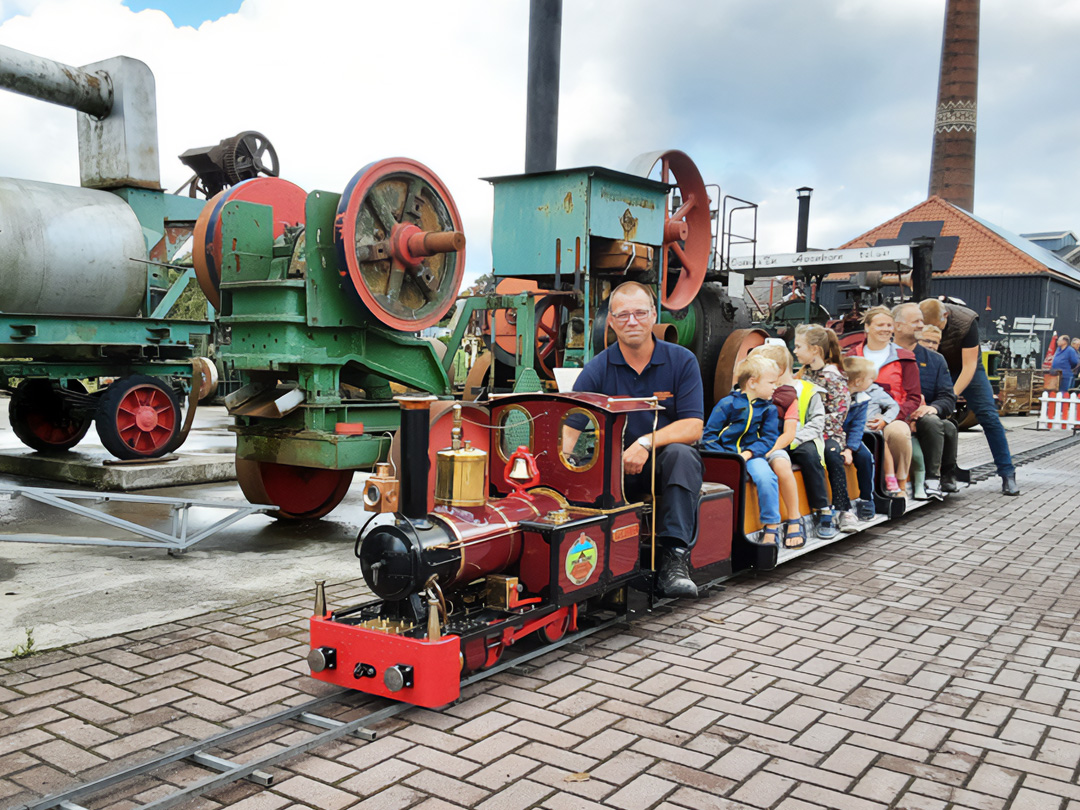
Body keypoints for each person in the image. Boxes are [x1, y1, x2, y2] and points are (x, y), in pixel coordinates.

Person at [569, 281, 704, 597]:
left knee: (680, 456)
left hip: (665, 468)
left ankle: (675, 562)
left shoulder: (682, 361)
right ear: (612, 322)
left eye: (640, 313)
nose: (632, 321)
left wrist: (644, 443)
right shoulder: (597, 368)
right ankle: (589, 564)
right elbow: (570, 426)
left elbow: (693, 426)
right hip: (616, 471)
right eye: (624, 315)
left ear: (653, 315)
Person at [919, 298, 1018, 496]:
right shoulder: (921, 315)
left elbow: (969, 367)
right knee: (927, 417)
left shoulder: (966, 321)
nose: (930, 328)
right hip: (935, 364)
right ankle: (940, 473)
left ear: (945, 315)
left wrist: (949, 397)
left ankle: (1007, 473)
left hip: (965, 367)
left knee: (989, 417)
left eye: (935, 326)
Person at [702, 356, 782, 545]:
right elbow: (709, 436)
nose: (775, 387)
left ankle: (771, 526)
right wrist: (726, 457)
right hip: (725, 455)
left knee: (766, 477)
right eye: (771, 382)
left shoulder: (769, 409)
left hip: (752, 455)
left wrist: (748, 453)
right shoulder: (727, 404)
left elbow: (769, 438)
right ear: (752, 383)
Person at [845, 306, 921, 497]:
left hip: (893, 414)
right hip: (859, 414)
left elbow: (913, 397)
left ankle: (900, 483)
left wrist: (888, 418)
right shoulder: (851, 357)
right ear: (867, 327)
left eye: (889, 325)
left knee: (897, 433)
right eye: (880, 325)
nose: (885, 329)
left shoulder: (904, 358)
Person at [794, 325, 857, 532]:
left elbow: (839, 413)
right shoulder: (801, 376)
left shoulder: (833, 377)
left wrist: (816, 428)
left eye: (798, 346)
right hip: (806, 432)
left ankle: (843, 508)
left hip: (829, 434)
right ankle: (818, 508)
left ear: (815, 350)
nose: (794, 351)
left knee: (831, 453)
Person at [892, 304, 959, 499]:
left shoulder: (936, 361)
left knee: (939, 423)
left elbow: (948, 398)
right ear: (897, 326)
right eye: (916, 322)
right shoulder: (883, 356)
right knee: (942, 426)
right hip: (894, 415)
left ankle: (935, 477)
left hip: (924, 417)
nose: (922, 325)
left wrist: (932, 407)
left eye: (922, 320)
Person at [749, 344, 809, 548]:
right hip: (750, 447)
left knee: (782, 466)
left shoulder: (788, 398)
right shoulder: (745, 394)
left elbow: (789, 433)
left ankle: (794, 517)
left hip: (774, 446)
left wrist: (770, 450)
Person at [841, 357, 880, 519]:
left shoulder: (862, 400)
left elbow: (857, 427)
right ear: (858, 381)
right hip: (832, 436)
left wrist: (850, 448)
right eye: (871, 379)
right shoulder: (837, 395)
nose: (873, 382)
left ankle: (866, 498)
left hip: (850, 438)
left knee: (865, 457)